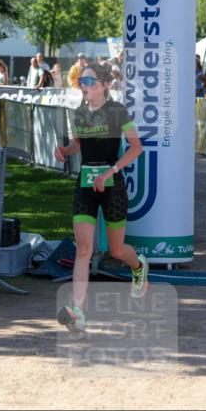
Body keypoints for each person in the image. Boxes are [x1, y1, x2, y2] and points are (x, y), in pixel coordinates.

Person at [53, 63, 149, 333]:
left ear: (105, 85)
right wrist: (65, 150)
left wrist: (111, 171)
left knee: (116, 251)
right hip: (85, 184)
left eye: (90, 81)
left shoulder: (117, 111)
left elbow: (136, 148)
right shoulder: (80, 113)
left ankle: (138, 266)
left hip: (112, 185)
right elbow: (78, 144)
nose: (84, 86)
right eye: (82, 82)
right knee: (83, 249)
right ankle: (78, 312)